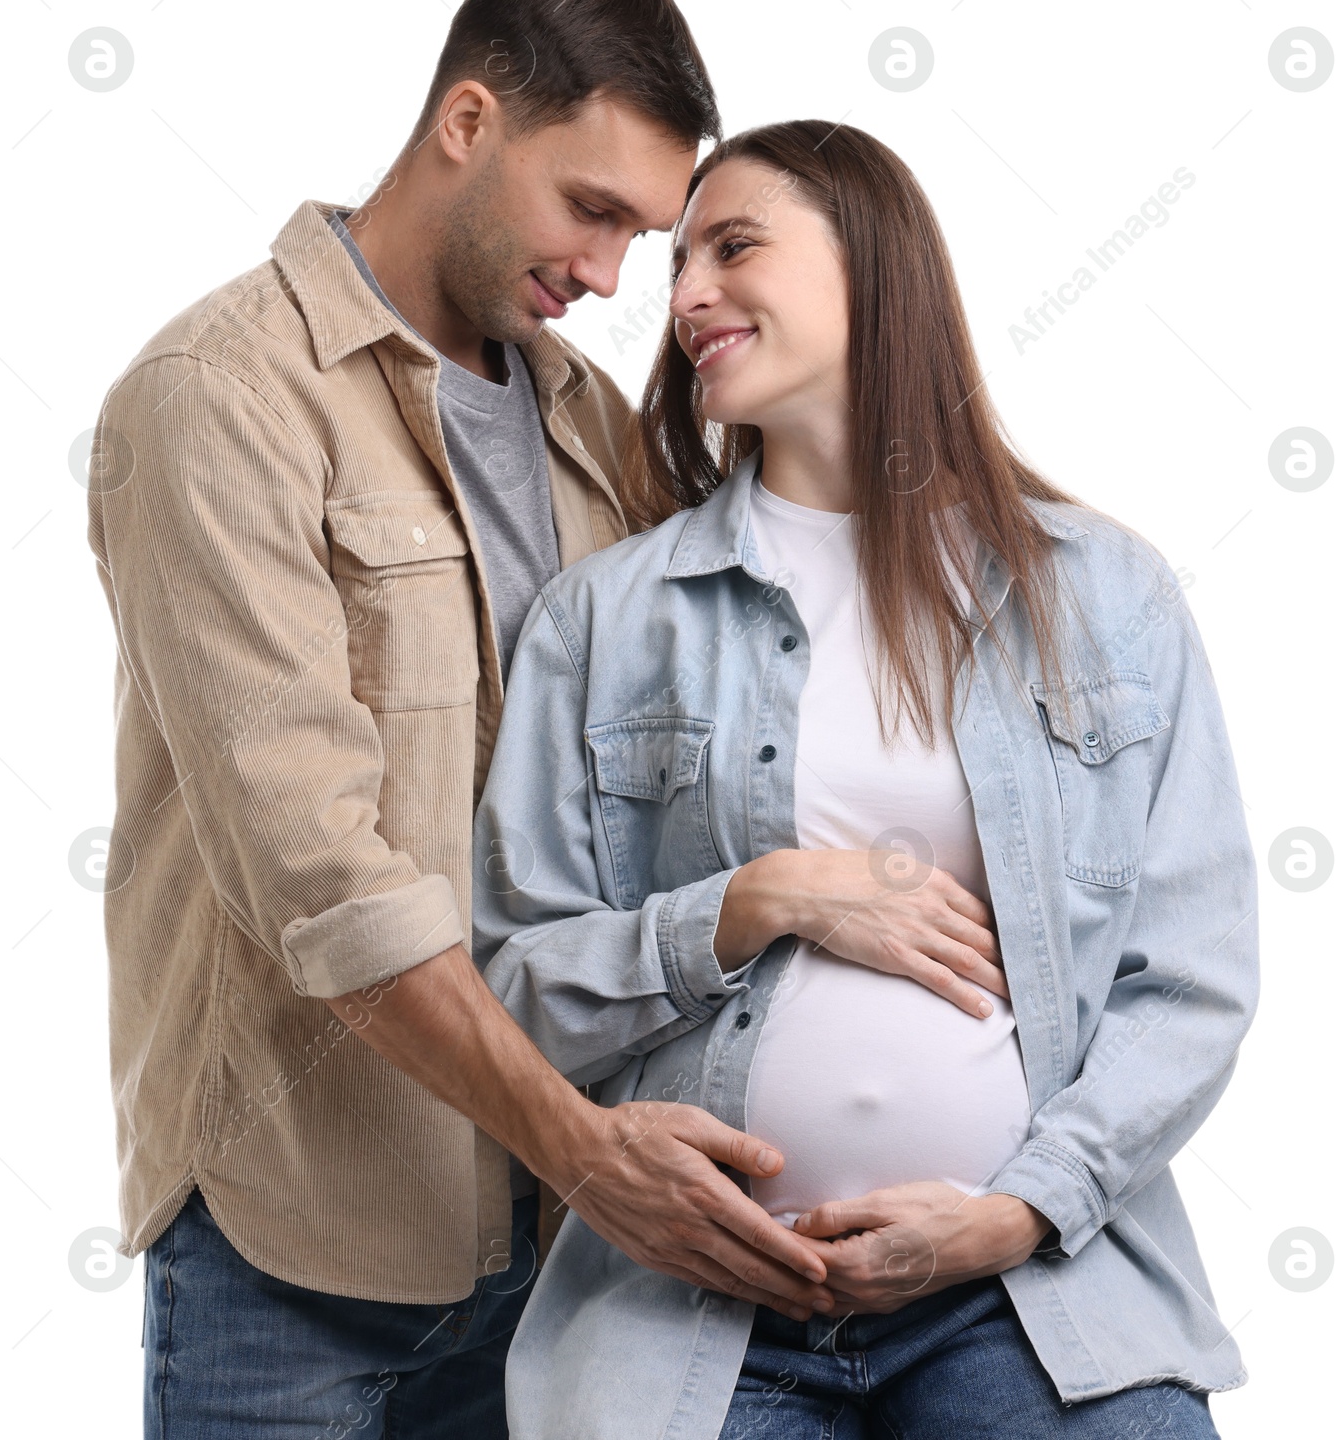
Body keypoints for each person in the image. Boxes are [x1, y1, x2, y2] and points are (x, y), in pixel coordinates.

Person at [86, 0, 838, 1440]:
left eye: (646, 229)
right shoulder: (220, 397)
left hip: (549, 1254)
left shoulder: (584, 419)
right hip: (298, 1236)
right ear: (469, 120)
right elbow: (317, 870)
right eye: (595, 209)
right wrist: (588, 1149)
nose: (617, 275)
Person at [473, 120, 1260, 1438]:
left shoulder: (1103, 594)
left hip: (1027, 1297)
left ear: (871, 267)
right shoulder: (604, 620)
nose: (684, 298)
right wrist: (757, 900)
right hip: (692, 1321)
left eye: (733, 248)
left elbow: (1189, 980)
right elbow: (514, 988)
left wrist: (1012, 1213)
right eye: (679, 267)